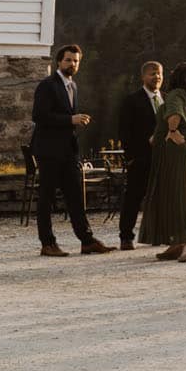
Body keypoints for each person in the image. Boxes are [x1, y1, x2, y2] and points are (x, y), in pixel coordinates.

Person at [29, 43, 112, 256]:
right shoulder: (47, 85)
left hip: (68, 150)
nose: (72, 64)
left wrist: (74, 121)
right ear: (59, 61)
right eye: (68, 60)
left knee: (75, 196)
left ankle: (87, 240)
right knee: (46, 198)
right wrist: (70, 120)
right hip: (48, 150)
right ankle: (47, 243)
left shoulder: (73, 86)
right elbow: (39, 116)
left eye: (76, 61)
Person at [146, 62, 186, 262]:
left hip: (176, 147)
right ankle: (176, 243)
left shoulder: (176, 95)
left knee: (175, 195)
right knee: (183, 193)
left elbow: (174, 115)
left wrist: (172, 131)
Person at [112, 59, 164, 250]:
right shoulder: (132, 101)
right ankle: (126, 236)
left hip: (163, 159)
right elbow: (124, 131)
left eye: (159, 73)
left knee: (160, 198)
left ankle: (157, 234)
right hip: (140, 158)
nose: (156, 77)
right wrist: (132, 157)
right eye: (152, 73)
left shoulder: (167, 99)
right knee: (133, 198)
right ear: (143, 77)